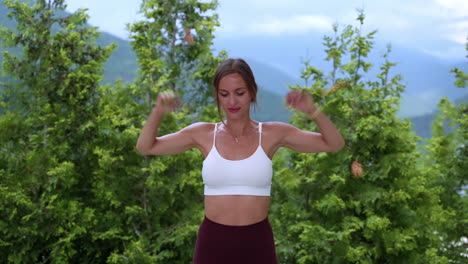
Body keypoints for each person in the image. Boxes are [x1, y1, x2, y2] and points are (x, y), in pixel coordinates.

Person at [136, 58, 345, 264]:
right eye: (224, 94)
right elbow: (146, 146)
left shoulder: (272, 133)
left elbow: (334, 144)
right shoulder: (202, 133)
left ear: (252, 93)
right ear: (217, 96)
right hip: (212, 242)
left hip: (257, 242)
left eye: (240, 93)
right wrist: (158, 112)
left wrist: (312, 111)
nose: (232, 102)